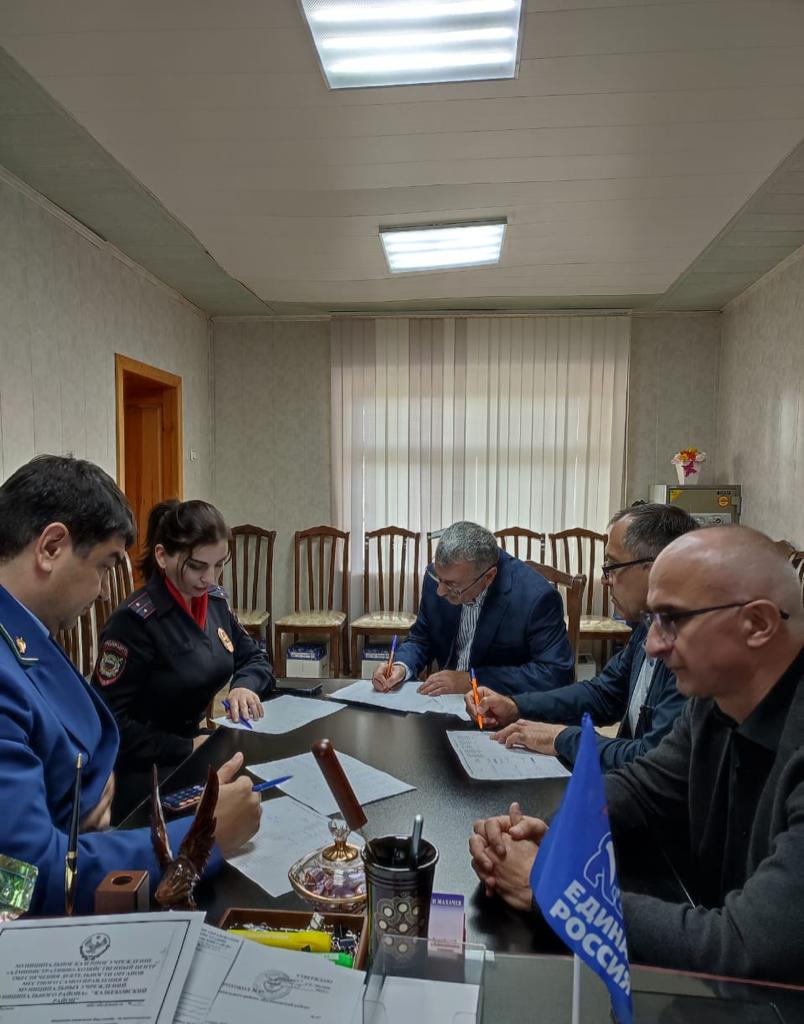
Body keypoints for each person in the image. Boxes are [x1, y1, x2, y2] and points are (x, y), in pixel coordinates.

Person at [468, 526, 804, 982]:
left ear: (759, 624)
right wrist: (557, 837)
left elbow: (744, 949)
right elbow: (640, 786)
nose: (652, 645)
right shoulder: (715, 700)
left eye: (672, 620)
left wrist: (555, 890)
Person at [0, 456, 261, 915]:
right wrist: (200, 838)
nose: (104, 591)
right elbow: (23, 881)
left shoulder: (27, 632)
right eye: (104, 567)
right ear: (51, 548)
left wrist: (88, 789)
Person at [465, 503, 696, 769]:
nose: (606, 580)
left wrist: (561, 738)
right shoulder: (647, 626)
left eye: (612, 566)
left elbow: (652, 759)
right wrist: (515, 706)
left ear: (659, 566)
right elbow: (603, 694)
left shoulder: (692, 650)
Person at [92, 499, 275, 815]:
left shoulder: (214, 602)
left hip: (193, 749)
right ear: (162, 556)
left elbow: (255, 657)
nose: (211, 578)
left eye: (219, 565)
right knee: (229, 811)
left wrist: (244, 686)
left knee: (257, 789)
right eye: (197, 566)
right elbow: (108, 724)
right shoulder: (135, 622)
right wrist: (185, 747)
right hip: (143, 769)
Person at [372, 521, 574, 697]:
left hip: (503, 709)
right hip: (442, 704)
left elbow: (556, 674)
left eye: (451, 585)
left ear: (489, 577)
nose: (440, 591)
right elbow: (421, 638)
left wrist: (471, 681)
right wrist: (401, 666)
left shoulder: (536, 598)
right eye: (439, 579)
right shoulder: (438, 577)